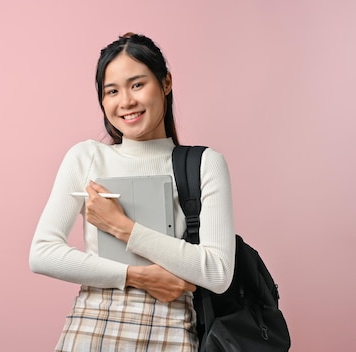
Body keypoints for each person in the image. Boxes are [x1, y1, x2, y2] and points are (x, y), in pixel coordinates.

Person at [29, 33, 236, 351]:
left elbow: (218, 272)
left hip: (171, 331)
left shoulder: (204, 164)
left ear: (166, 83)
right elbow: (42, 253)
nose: (125, 101)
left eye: (137, 84)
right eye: (112, 91)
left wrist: (122, 227)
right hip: (91, 327)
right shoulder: (87, 158)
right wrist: (137, 276)